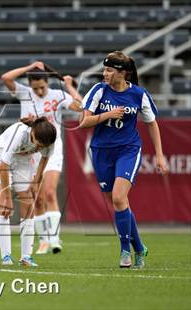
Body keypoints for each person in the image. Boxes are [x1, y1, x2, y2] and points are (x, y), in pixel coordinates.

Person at [80, 51, 168, 268]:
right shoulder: (99, 90)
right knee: (119, 203)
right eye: (104, 69)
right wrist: (107, 115)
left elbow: (152, 123)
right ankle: (139, 247)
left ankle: (124, 251)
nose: (105, 74)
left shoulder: (139, 94)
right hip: (101, 151)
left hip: (128, 150)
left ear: (123, 73)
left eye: (109, 70)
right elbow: (83, 122)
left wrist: (159, 154)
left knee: (119, 198)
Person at [1, 62, 83, 254]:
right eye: (35, 87)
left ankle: (54, 240)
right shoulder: (24, 93)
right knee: (36, 198)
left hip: (52, 150)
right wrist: (30, 66)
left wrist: (70, 86)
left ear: (48, 82)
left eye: (42, 87)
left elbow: (80, 106)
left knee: (49, 192)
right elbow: (6, 78)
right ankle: (43, 240)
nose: (39, 91)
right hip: (31, 152)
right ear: (30, 85)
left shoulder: (57, 95)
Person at [0, 116, 57, 266]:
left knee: (28, 204)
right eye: (38, 145)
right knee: (3, 205)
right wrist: (6, 196)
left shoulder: (50, 139)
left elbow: (44, 159)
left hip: (23, 161)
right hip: (0, 157)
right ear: (32, 133)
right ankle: (5, 256)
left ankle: (26, 257)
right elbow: (3, 165)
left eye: (42, 147)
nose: (39, 149)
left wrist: (36, 181)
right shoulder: (19, 135)